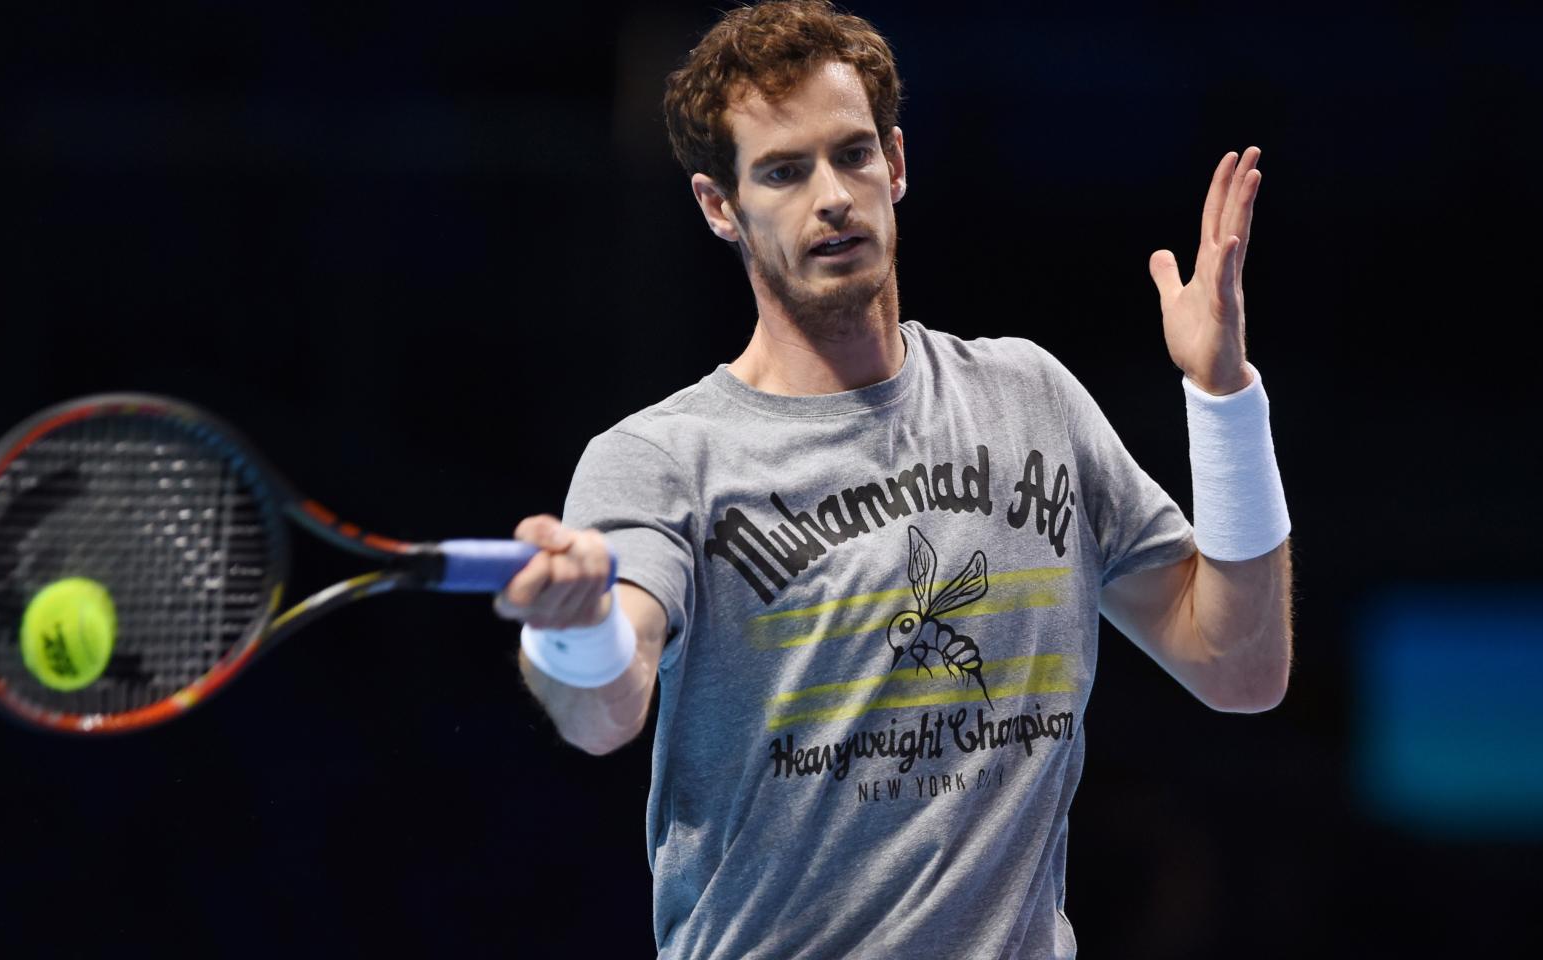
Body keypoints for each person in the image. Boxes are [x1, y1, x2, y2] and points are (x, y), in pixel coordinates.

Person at [493, 1, 1294, 956]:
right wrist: (573, 630)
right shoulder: (664, 460)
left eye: (853, 155)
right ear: (720, 206)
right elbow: (602, 710)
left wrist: (1225, 398)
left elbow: (1240, 668)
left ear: (898, 164)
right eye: (784, 172)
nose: (831, 196)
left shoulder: (1031, 399)